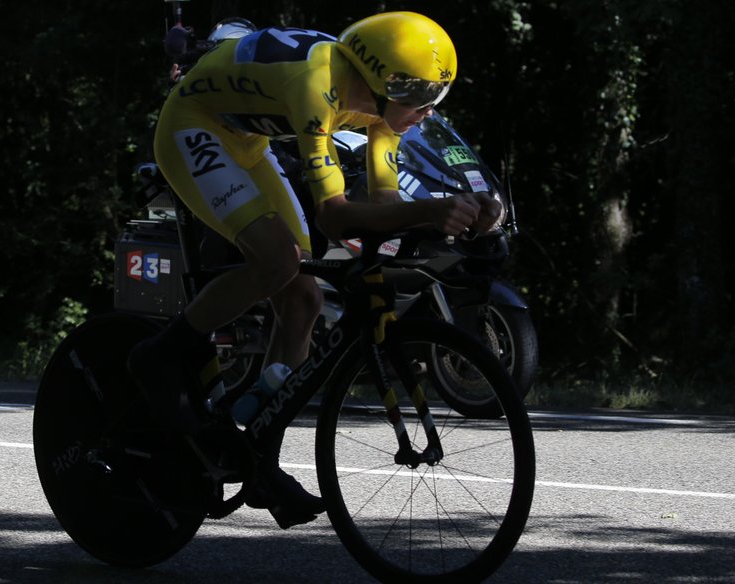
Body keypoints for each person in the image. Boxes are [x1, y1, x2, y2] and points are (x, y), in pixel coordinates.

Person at [128, 11, 501, 528]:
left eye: (436, 95)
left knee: (302, 298)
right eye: (417, 94)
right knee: (278, 259)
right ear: (377, 79)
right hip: (193, 126)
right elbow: (335, 214)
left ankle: (261, 460)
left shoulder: (382, 111)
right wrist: (429, 212)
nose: (427, 109)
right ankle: (161, 354)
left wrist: (462, 213)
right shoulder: (317, 83)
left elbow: (385, 204)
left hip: (247, 142)